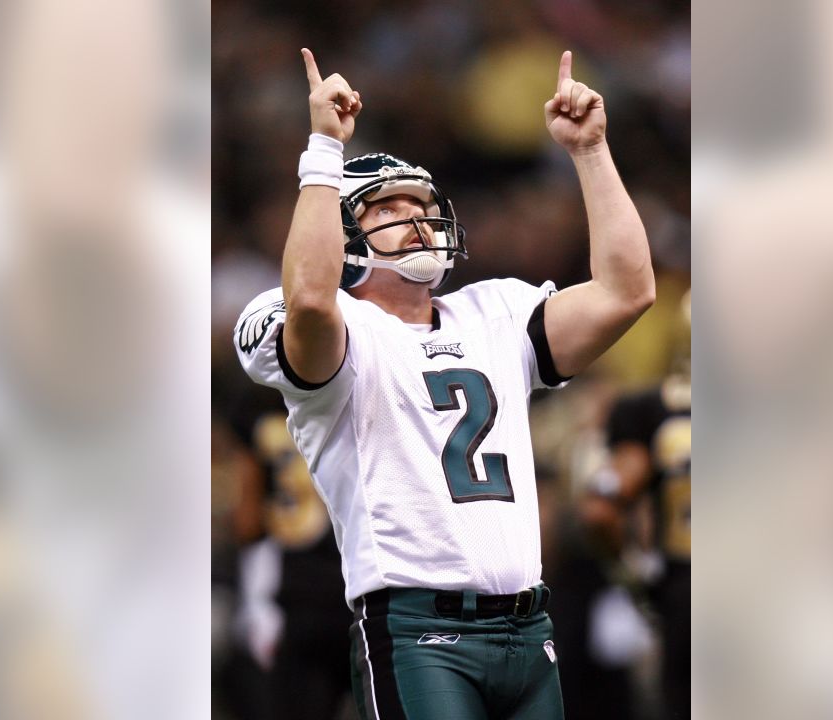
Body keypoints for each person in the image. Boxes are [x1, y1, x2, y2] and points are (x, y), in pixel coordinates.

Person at [234, 46, 655, 720]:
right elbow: (309, 302)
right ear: (341, 236)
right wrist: (322, 152)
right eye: (389, 207)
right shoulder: (336, 325)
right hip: (419, 628)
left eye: (425, 204)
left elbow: (627, 290)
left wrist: (591, 153)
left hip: (529, 627)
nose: (419, 217)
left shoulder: (495, 312)